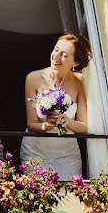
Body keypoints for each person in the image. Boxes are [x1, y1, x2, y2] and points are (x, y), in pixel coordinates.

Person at [20, 33, 91, 179]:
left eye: (64, 55)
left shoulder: (80, 82)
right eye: (55, 50)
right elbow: (31, 124)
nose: (56, 57)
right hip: (36, 152)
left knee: (70, 198)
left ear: (76, 62)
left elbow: (83, 126)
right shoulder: (33, 78)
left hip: (67, 155)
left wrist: (67, 121)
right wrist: (47, 126)